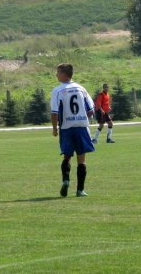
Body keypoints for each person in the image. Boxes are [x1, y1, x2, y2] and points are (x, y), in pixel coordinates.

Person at [51, 63, 95, 197]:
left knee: (67, 157)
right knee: (81, 160)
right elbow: (91, 110)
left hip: (66, 129)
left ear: (64, 74)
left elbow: (54, 112)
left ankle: (65, 180)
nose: (56, 75)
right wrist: (80, 118)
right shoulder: (81, 89)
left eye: (57, 72)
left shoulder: (58, 90)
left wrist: (54, 129)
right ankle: (80, 190)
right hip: (81, 128)